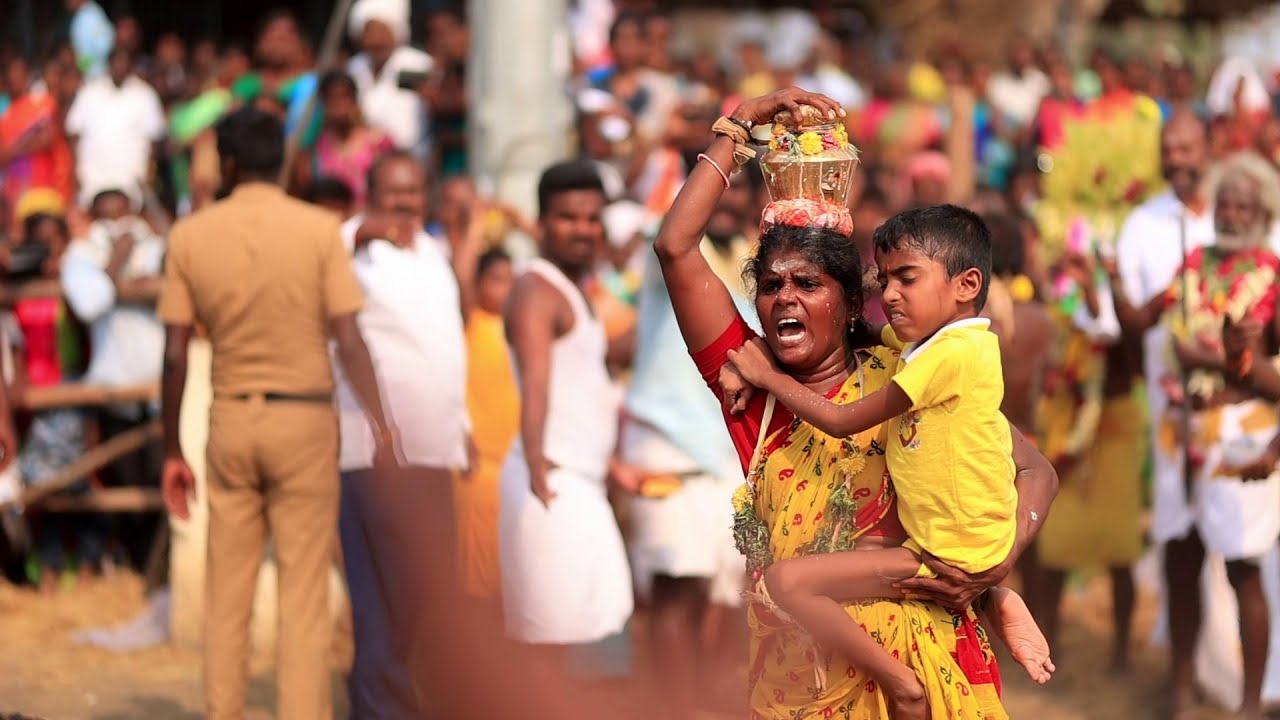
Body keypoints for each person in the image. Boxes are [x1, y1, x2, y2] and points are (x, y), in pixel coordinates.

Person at [655, 87, 1058, 720]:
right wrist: (739, 125)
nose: (784, 298)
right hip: (802, 676)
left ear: (849, 304)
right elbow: (676, 248)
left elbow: (1037, 471)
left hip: (927, 671)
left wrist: (994, 566)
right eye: (770, 287)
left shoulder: (906, 376)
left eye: (808, 284)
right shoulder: (754, 393)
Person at [723, 204, 1054, 689]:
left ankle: (902, 682)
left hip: (945, 554)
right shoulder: (942, 345)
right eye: (883, 281)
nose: (891, 295)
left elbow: (840, 421)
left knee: (787, 583)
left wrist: (767, 376)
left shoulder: (946, 356)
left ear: (967, 285)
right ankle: (996, 596)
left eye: (907, 279)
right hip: (956, 545)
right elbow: (872, 332)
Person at [156, 107, 395, 720]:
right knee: (303, 593)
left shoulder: (189, 236)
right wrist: (382, 421)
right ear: (285, 162)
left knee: (226, 590)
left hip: (231, 414)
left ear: (227, 165)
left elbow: (176, 353)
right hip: (305, 418)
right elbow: (347, 337)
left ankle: (222, 710)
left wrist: (170, 451)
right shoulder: (317, 230)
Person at [1111, 112, 1280, 716]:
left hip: (1241, 438)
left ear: (1261, 213)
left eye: (1243, 206)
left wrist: (1230, 361)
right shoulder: (1193, 264)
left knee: (1242, 570)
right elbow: (1143, 321)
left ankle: (1250, 702)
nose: (1231, 214)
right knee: (1181, 563)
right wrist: (1108, 285)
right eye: (1225, 205)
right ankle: (1181, 693)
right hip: (1179, 433)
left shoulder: (1273, 276)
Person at [334, 149, 477, 718]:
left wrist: (460, 425)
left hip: (435, 449)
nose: (403, 204)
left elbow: (447, 338)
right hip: (378, 451)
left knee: (420, 598)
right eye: (392, 193)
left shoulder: (431, 252)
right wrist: (360, 228)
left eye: (413, 192)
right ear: (369, 195)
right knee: (382, 603)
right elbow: (327, 246)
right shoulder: (352, 250)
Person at [498, 160, 641, 674]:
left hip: (579, 481)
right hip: (551, 483)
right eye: (568, 218)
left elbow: (585, 381)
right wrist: (537, 460)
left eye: (591, 218)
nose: (582, 229)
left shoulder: (576, 288)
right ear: (541, 224)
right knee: (556, 645)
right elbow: (536, 383)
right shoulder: (537, 291)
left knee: (598, 630)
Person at [622, 173, 754, 720]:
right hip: (668, 445)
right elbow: (675, 237)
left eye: (739, 191)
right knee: (678, 592)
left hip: (732, 455)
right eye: (716, 192)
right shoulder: (671, 255)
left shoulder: (754, 262)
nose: (727, 202)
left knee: (728, 602)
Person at [61, 188, 166, 572]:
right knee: (125, 483)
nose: (120, 226)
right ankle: (139, 572)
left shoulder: (155, 246)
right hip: (114, 390)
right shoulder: (83, 255)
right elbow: (89, 304)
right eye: (107, 218)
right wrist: (118, 261)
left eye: (124, 216)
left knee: (160, 480)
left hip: (160, 389)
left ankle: (161, 574)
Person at [456, 245, 518, 601]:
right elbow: (461, 275)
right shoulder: (472, 323)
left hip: (514, 469)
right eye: (497, 280)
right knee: (478, 580)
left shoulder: (521, 330)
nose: (506, 289)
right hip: (479, 469)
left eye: (512, 281)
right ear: (478, 286)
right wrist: (472, 230)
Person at [65, 48, 167, 207]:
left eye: (125, 62)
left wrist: (150, 170)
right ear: (109, 64)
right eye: (116, 62)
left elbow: (155, 138)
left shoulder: (145, 94)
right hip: (92, 176)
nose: (120, 66)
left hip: (131, 176)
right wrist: (75, 169)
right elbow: (74, 132)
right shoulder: (90, 92)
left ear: (131, 66)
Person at [346, 0, 433, 155]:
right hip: (365, 156)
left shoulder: (417, 63)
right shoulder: (354, 67)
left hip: (412, 156)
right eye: (368, 31)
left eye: (381, 31)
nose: (374, 40)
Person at [298, 71, 394, 208]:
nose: (339, 106)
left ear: (355, 100)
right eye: (331, 99)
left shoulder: (378, 141)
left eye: (344, 97)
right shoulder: (316, 146)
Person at [64, 0, 114, 79]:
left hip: (95, 75)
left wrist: (81, 66)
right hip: (85, 74)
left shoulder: (92, 16)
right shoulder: (81, 14)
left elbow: (103, 48)